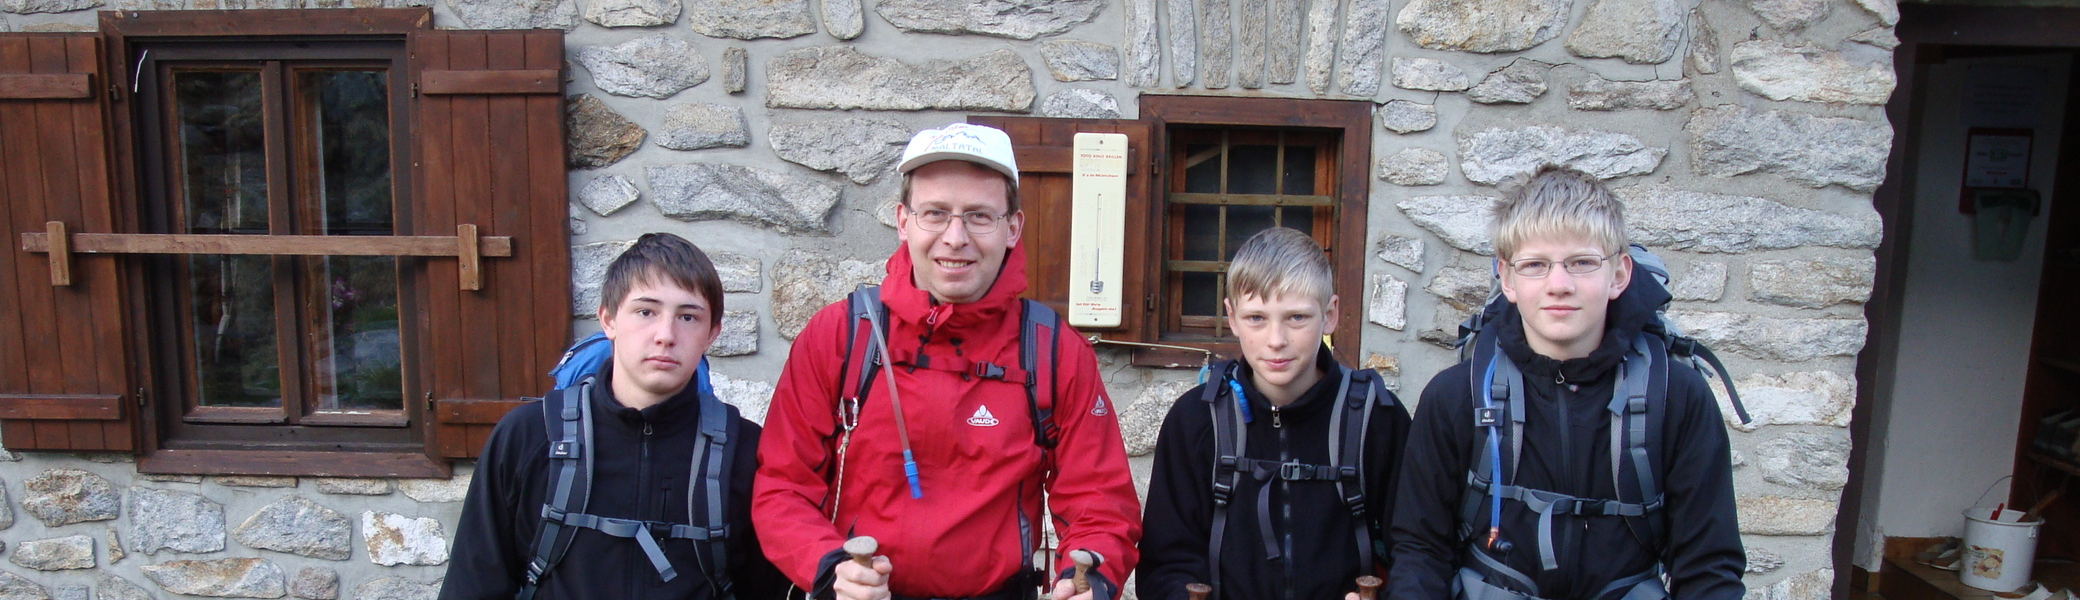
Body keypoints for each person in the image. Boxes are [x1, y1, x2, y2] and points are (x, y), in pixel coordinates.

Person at [753, 123, 1141, 600]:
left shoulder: (1055, 352)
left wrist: (1092, 581)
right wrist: (829, 567)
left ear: (1013, 228)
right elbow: (782, 488)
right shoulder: (839, 336)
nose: (955, 237)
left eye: (979, 216)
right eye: (935, 213)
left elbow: (1099, 503)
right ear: (903, 221)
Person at [1388, 167, 1745, 600]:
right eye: (1536, 265)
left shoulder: (1676, 398)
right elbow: (1420, 552)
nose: (1559, 284)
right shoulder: (1456, 396)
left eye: (1582, 263)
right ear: (1508, 278)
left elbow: (1709, 568)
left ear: (1619, 275)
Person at [442, 233, 787, 600]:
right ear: (608, 320)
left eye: (688, 317)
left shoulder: (745, 452)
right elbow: (472, 584)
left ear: (711, 334)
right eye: (646, 312)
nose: (665, 335)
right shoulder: (528, 436)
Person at [1138, 227, 1411, 600]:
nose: (1276, 340)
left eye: (1297, 317)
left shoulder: (1376, 420)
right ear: (1232, 317)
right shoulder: (1197, 420)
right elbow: (1167, 561)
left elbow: (1416, 552)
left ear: (1329, 315)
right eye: (1256, 318)